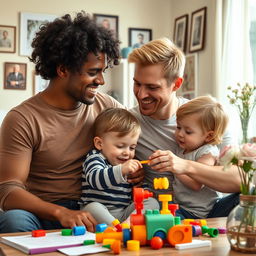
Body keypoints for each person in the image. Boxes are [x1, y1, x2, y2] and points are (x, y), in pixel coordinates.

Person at [0, 12, 144, 233]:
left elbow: (133, 143)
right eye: (93, 72)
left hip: (95, 210)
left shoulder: (107, 107)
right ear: (63, 70)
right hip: (41, 212)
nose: (101, 81)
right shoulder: (22, 119)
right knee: (14, 221)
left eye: (103, 72)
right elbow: (8, 190)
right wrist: (60, 213)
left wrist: (135, 171)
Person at [128, 37, 240, 218]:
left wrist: (182, 165)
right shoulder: (130, 123)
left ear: (176, 84)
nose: (141, 94)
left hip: (212, 212)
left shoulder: (207, 118)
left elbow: (240, 180)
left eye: (152, 87)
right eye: (137, 83)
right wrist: (128, 170)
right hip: (167, 216)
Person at [80, 108, 159, 225]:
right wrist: (121, 170)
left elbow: (139, 189)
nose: (127, 153)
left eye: (132, 148)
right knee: (92, 208)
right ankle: (118, 229)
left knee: (152, 202)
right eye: (120, 146)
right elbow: (96, 180)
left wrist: (143, 191)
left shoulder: (129, 164)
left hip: (124, 214)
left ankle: (127, 225)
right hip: (101, 212)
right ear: (99, 144)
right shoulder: (95, 158)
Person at [171, 96, 228, 219]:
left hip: (207, 211)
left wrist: (174, 167)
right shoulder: (181, 149)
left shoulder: (207, 153)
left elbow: (196, 184)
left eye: (188, 132)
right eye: (178, 127)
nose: (180, 134)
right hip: (183, 208)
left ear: (208, 136)